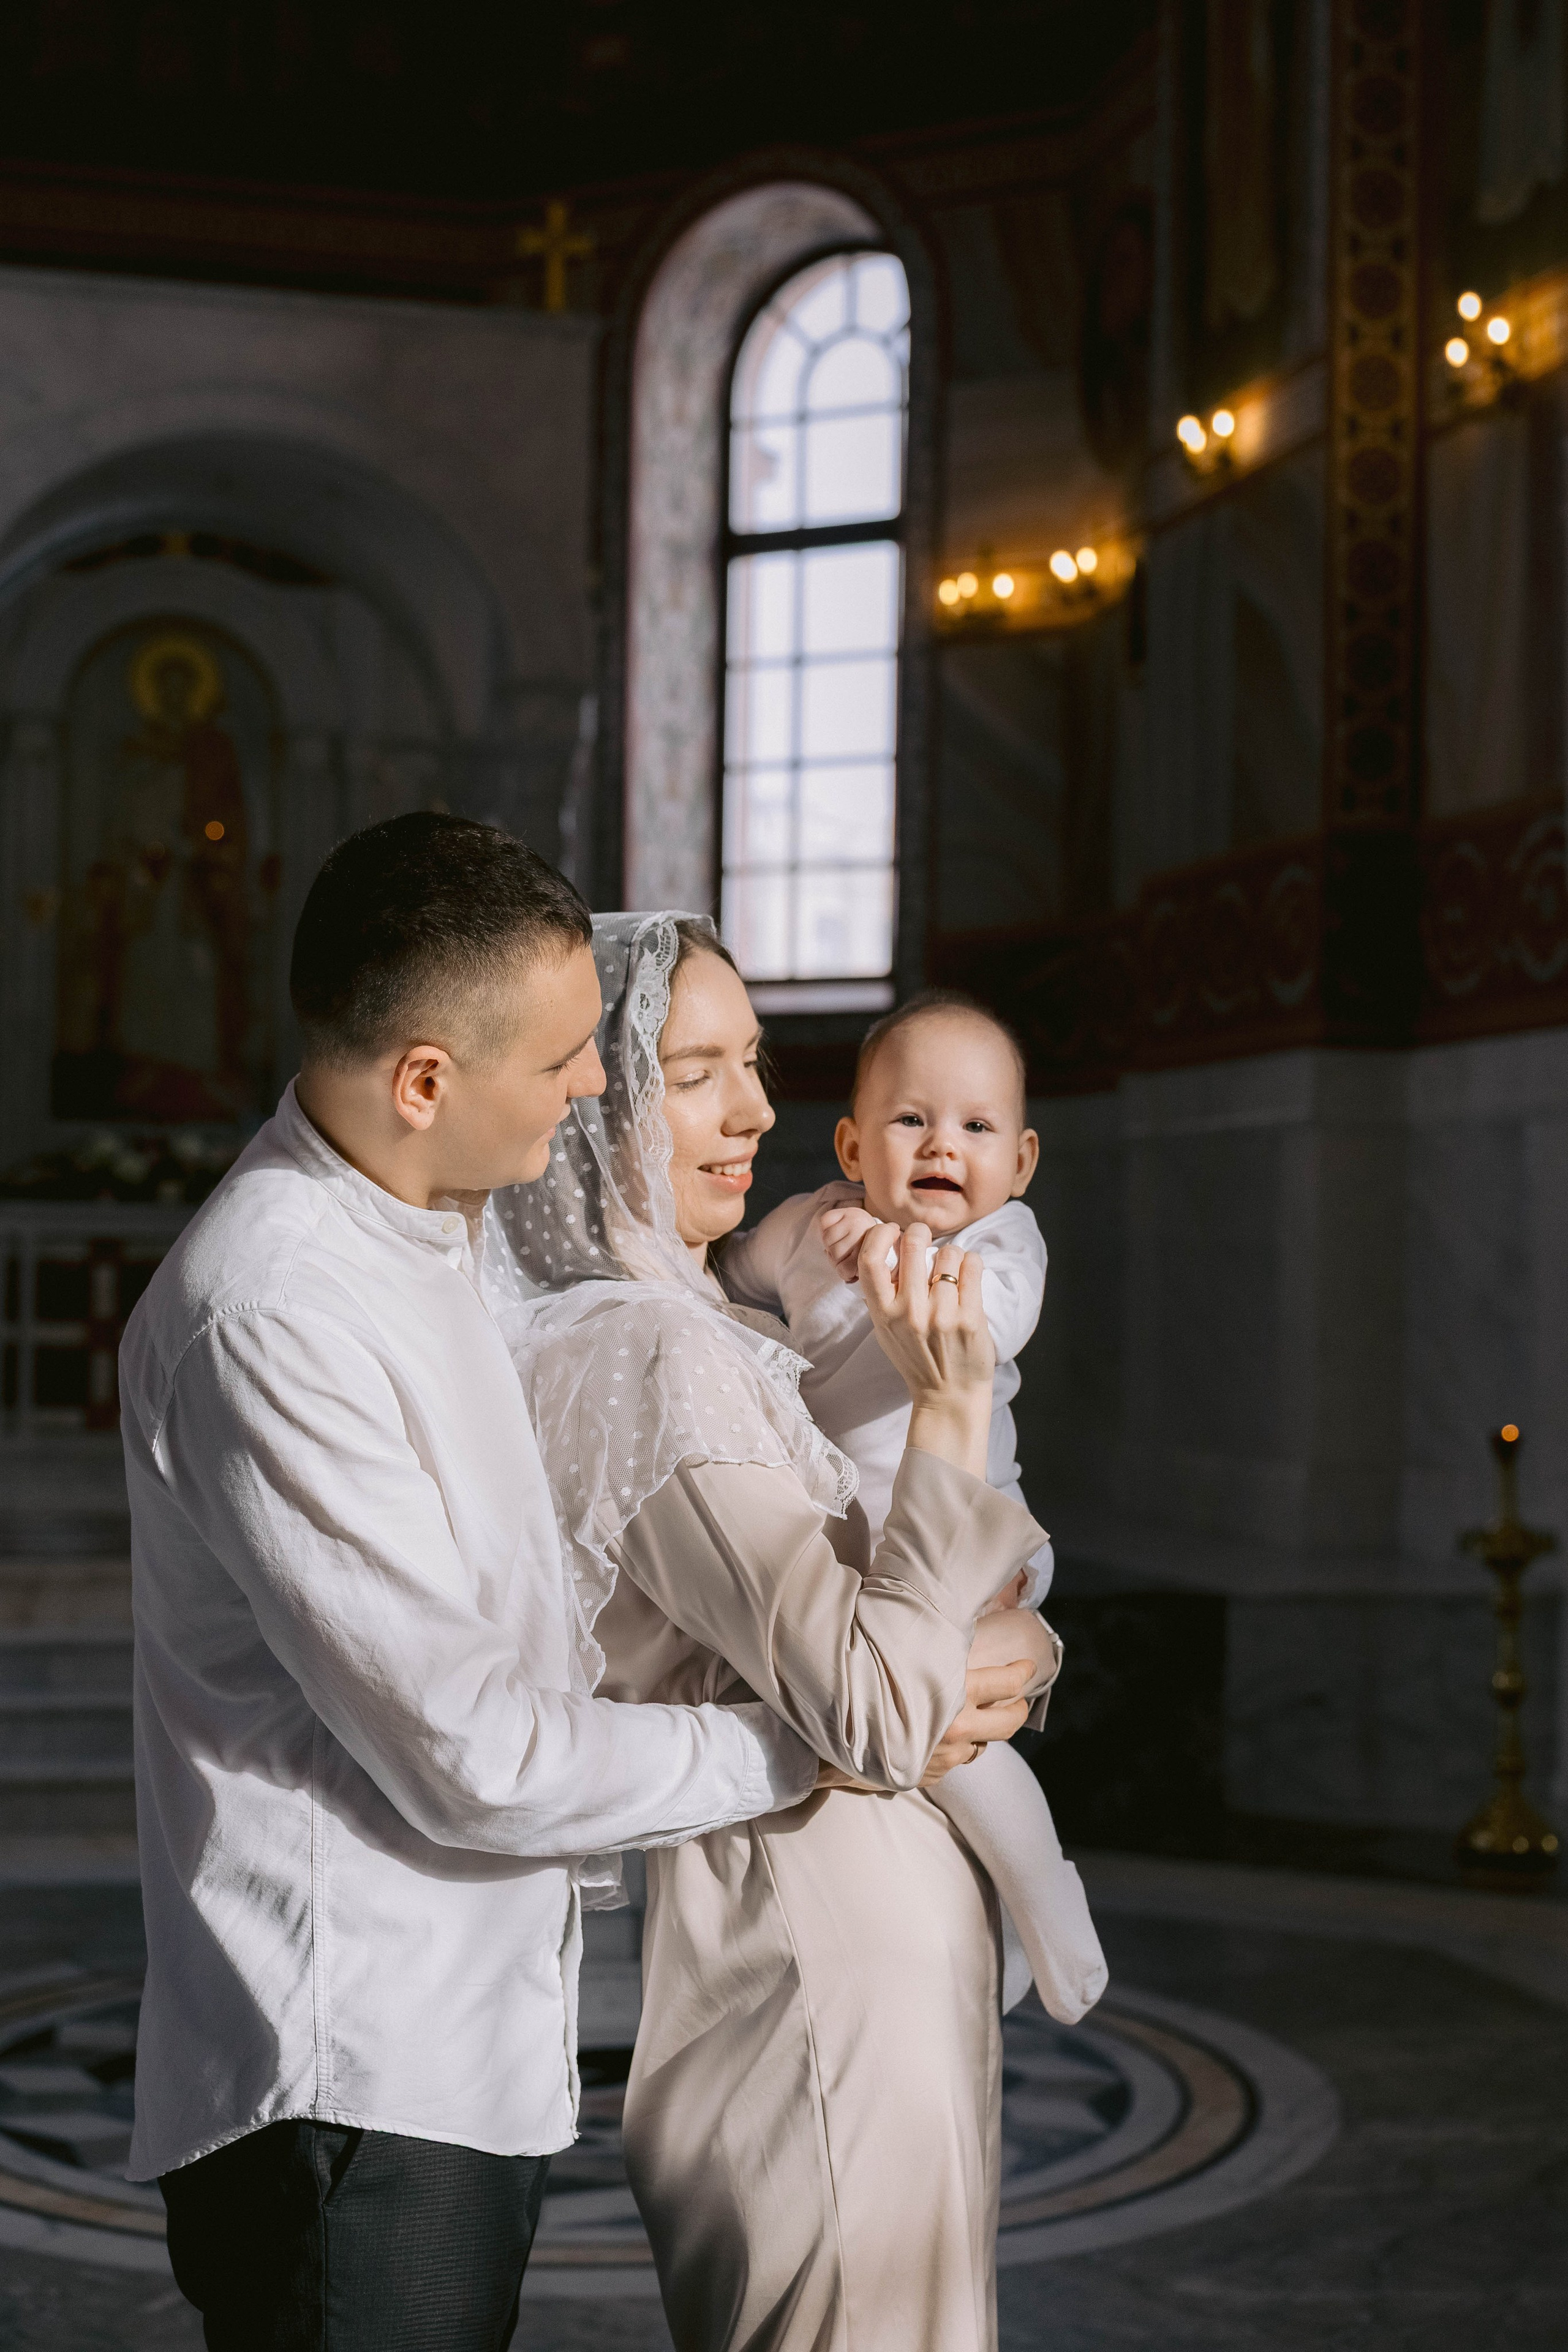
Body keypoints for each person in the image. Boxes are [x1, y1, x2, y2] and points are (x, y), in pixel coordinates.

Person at [121, 817, 1019, 2352]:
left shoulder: (441, 1245)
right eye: (563, 1061)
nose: (595, 1085)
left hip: (465, 2039)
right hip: (351, 2067)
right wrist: (808, 1742)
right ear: (423, 1081)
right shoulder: (272, 1310)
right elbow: (478, 1750)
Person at [493, 915, 1056, 2352]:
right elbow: (874, 1708)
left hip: (868, 1918)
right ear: (594, 1101)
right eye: (695, 1074)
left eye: (752, 1062)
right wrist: (947, 1408)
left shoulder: (716, 1327)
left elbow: (903, 1633)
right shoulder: (645, 1351)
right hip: (815, 1940)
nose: (753, 1109)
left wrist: (1025, 1649)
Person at [723, 990, 1107, 2026]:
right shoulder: (805, 1227)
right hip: (852, 1557)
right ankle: (999, 1919)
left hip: (972, 1542)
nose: (943, 1145)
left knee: (956, 1739)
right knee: (912, 1746)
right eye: (911, 1120)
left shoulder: (1002, 1242)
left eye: (977, 1127)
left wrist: (893, 1255)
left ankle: (1047, 1903)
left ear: (1020, 1161)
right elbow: (726, 1277)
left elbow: (991, 1327)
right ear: (854, 1143)